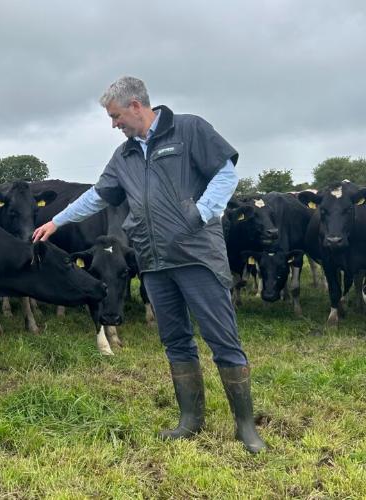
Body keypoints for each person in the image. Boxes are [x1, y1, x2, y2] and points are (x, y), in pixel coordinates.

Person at [33, 76, 266, 453]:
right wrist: (57, 221)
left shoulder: (189, 130)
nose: (114, 124)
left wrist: (200, 213)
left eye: (116, 116)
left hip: (197, 256)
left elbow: (225, 175)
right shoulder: (123, 156)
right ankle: (190, 420)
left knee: (223, 339)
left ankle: (246, 428)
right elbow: (98, 196)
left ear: (136, 106)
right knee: (175, 340)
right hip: (153, 262)